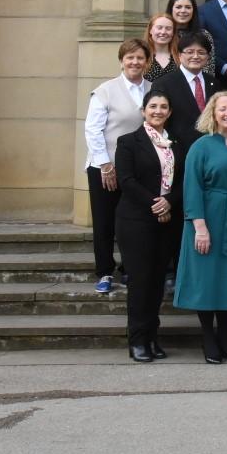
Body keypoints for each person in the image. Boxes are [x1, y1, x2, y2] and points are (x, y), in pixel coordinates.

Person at [174, 90, 227, 364]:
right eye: (222, 109)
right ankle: (208, 338)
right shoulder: (201, 146)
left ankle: (225, 337)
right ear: (212, 113)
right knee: (208, 278)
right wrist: (199, 226)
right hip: (208, 217)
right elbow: (192, 187)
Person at [114, 90, 180, 361]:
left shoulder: (176, 144)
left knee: (156, 282)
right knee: (140, 281)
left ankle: (152, 336)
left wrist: (169, 202)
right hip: (136, 220)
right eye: (153, 106)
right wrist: (156, 203)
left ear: (169, 113)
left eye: (164, 107)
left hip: (166, 221)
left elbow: (183, 180)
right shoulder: (128, 142)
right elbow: (126, 180)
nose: (158, 111)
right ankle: (137, 340)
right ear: (143, 111)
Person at [83, 38, 150, 294]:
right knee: (104, 221)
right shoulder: (105, 91)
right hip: (105, 167)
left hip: (137, 170)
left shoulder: (152, 89)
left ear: (147, 61)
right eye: (129, 57)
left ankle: (130, 269)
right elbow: (92, 129)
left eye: (140, 58)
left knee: (134, 222)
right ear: (122, 61)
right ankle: (104, 272)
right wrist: (105, 166)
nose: (135, 62)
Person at [152, 30, 226, 156]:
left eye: (201, 52)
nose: (196, 56)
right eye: (190, 52)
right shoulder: (164, 83)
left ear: (208, 57)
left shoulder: (214, 83)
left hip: (212, 151)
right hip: (177, 152)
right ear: (179, 55)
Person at [143, 13, 179, 83]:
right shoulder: (142, 55)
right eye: (159, 28)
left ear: (173, 32)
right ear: (150, 30)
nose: (163, 32)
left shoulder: (180, 56)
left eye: (168, 28)